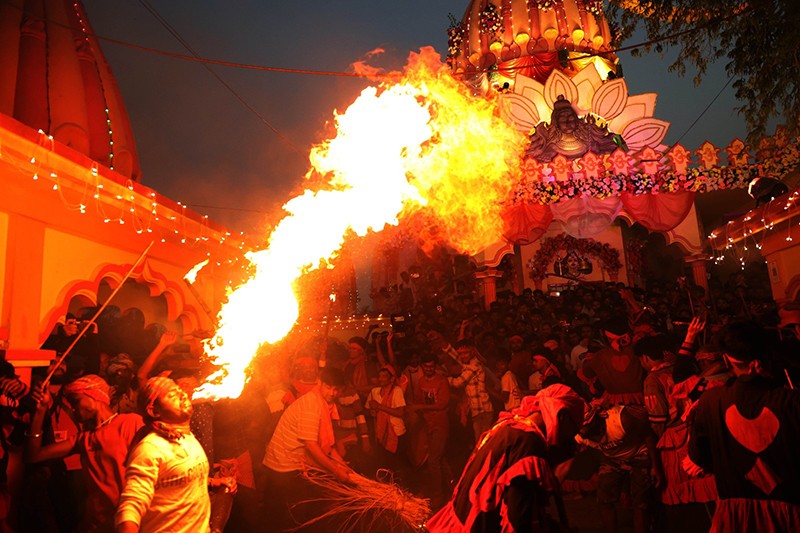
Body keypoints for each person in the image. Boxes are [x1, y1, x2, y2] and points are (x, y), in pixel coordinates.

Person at [688, 320, 800, 531]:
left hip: (735, 518)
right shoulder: (790, 400)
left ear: (727, 360)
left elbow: (699, 457)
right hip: (788, 516)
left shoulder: (710, 401)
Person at [426, 384, 585, 532]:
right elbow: (520, 520)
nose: (569, 438)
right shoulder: (529, 443)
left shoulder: (508, 425)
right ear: (562, 416)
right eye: (573, 429)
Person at [25, 375, 144, 533]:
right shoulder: (84, 439)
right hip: (96, 525)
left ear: (93, 395)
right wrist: (40, 411)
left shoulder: (130, 423)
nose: (73, 408)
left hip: (129, 522)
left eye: (76, 401)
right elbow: (33, 456)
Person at [115, 377, 235, 533]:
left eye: (180, 391)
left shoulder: (186, 436)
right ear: (154, 411)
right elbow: (131, 504)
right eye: (172, 395)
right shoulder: (150, 448)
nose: (183, 395)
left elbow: (176, 476)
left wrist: (212, 482)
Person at [263, 367, 354, 531]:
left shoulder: (324, 404)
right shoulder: (312, 404)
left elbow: (326, 446)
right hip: (282, 466)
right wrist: (336, 470)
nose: (332, 393)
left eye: (336, 389)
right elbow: (311, 445)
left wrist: (344, 467)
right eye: (328, 387)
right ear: (320, 383)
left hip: (294, 463)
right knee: (289, 518)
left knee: (302, 513)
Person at [578, 402, 664, 533]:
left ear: (595, 420)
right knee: (604, 500)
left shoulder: (621, 419)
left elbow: (649, 436)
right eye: (579, 428)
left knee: (640, 505)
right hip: (612, 459)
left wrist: (655, 467)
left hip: (639, 455)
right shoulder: (579, 435)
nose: (582, 432)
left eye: (585, 426)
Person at [407, 353, 450, 504]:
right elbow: (418, 403)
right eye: (426, 366)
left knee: (433, 460)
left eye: (432, 366)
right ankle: (452, 487)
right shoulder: (421, 382)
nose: (429, 369)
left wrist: (419, 406)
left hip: (440, 424)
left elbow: (442, 405)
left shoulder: (441, 381)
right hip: (428, 424)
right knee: (440, 458)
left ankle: (438, 496)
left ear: (435, 366)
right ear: (422, 367)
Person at [447, 341, 495, 442]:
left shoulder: (474, 366)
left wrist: (443, 378)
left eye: (465, 353)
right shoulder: (468, 363)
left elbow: (457, 383)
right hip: (477, 411)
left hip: (483, 411)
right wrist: (446, 347)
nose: (463, 356)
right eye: (461, 354)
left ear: (472, 352)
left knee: (483, 442)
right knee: (481, 441)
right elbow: (457, 357)